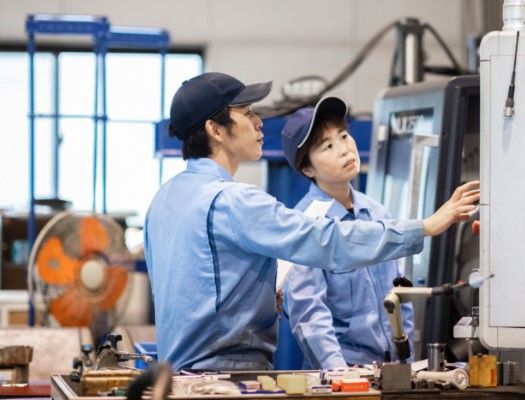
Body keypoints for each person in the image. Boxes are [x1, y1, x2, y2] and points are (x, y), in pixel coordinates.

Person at [143, 72, 479, 372]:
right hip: (227, 378)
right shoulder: (234, 201)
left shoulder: (162, 201)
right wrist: (425, 227)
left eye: (343, 136)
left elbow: (195, 291)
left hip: (176, 378)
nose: (259, 122)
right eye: (246, 113)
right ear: (215, 130)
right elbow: (326, 241)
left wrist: (262, 297)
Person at [280, 97, 413, 370]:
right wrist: (341, 376)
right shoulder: (303, 224)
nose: (344, 149)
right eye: (328, 146)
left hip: (390, 370)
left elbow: (399, 295)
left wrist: (406, 362)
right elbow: (309, 315)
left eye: (343, 136)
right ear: (307, 168)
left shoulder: (377, 213)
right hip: (341, 373)